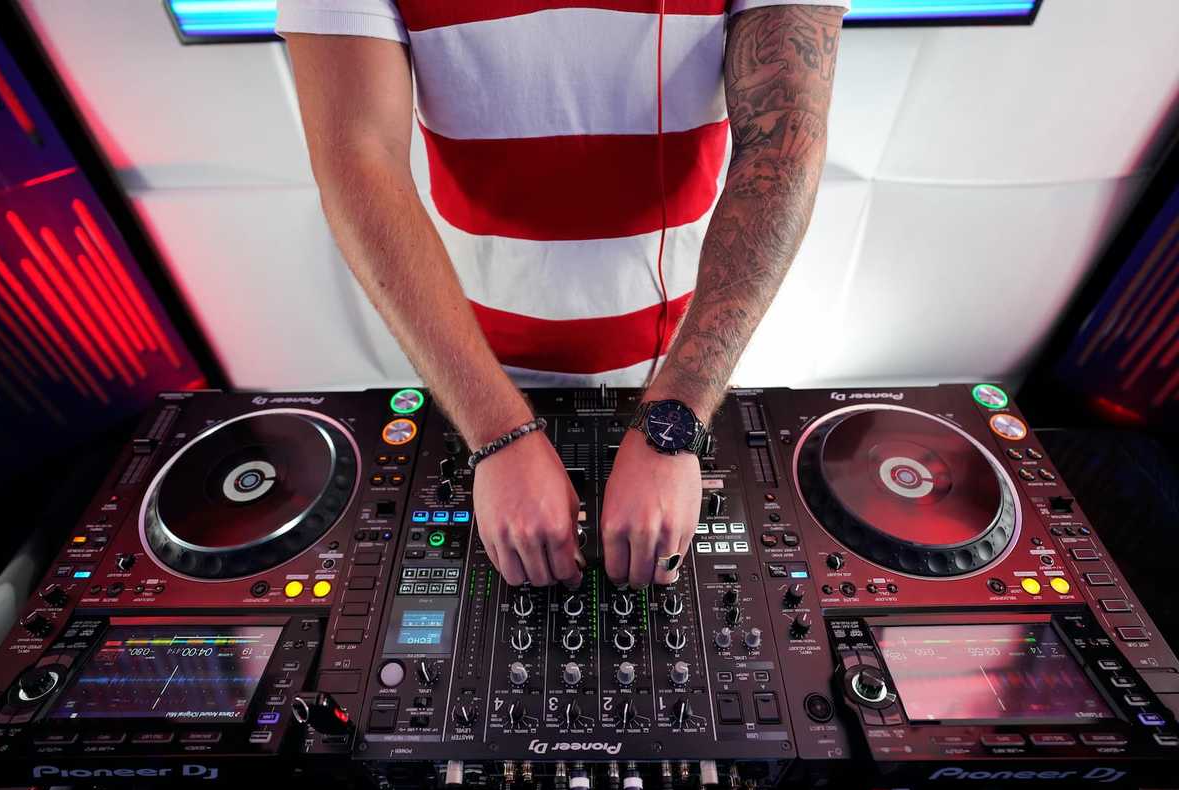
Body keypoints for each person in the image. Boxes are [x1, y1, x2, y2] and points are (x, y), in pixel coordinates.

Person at [277, 0, 847, 591]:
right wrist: (495, 430)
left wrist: (675, 419)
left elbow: (782, 146)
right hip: (476, 374)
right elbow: (358, 158)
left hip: (684, 366)